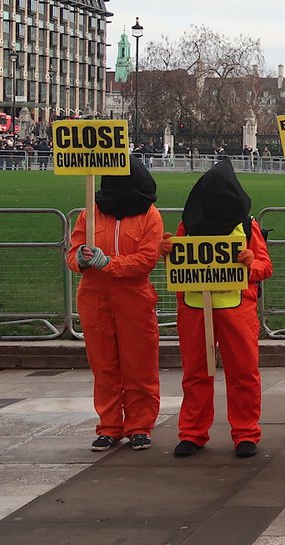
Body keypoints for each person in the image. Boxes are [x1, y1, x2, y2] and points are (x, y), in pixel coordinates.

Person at [172, 160, 273, 457]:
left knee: (243, 372)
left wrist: (249, 263)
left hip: (236, 308)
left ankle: (245, 432)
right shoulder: (186, 225)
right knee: (195, 373)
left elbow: (265, 266)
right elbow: (177, 264)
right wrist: (168, 250)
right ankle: (192, 432)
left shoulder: (246, 225)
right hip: (194, 308)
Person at [66, 160, 163, 451]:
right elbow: (72, 255)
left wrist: (108, 263)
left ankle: (139, 425)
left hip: (134, 297)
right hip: (95, 298)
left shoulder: (150, 217)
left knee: (139, 366)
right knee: (104, 366)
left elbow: (146, 260)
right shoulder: (89, 214)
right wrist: (81, 260)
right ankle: (109, 425)